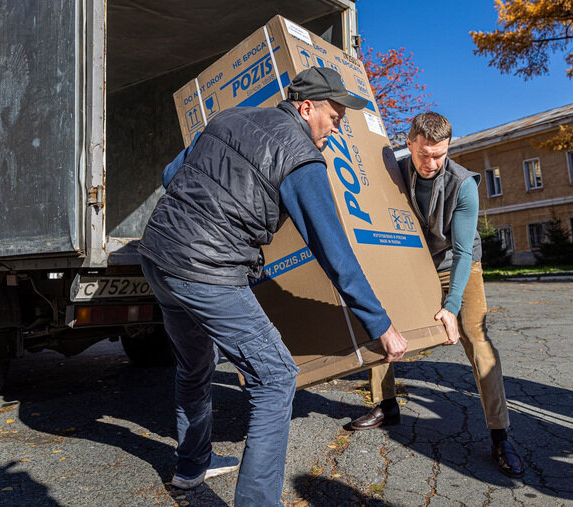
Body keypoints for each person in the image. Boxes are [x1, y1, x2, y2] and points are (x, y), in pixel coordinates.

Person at [138, 67, 408, 506]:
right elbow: (334, 252)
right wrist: (379, 323)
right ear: (307, 107)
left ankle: (190, 469)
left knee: (193, 366)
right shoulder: (300, 154)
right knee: (276, 377)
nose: (336, 130)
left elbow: (172, 175)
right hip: (209, 269)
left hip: (158, 255)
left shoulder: (227, 118)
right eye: (335, 118)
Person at [347, 112, 524, 478]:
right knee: (383, 322)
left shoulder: (464, 185)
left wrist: (451, 307)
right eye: (424, 154)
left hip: (457, 265)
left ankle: (500, 434)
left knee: (477, 337)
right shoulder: (394, 171)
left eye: (439, 155)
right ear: (409, 142)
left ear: (448, 148)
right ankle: (386, 404)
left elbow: (461, 253)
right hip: (414, 263)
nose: (431, 163)